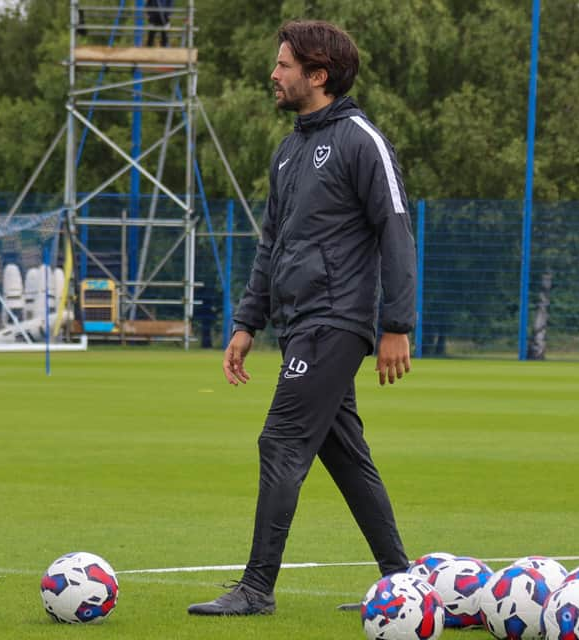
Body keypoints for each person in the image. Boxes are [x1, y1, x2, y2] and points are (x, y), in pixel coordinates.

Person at [188, 19, 417, 617]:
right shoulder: (289, 151)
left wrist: (397, 324)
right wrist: (246, 323)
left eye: (285, 64)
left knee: (281, 439)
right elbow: (273, 245)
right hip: (298, 323)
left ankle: (256, 588)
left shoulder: (361, 139)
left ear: (319, 76)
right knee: (344, 452)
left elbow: (396, 228)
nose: (274, 73)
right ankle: (402, 582)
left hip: (336, 321)